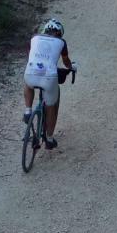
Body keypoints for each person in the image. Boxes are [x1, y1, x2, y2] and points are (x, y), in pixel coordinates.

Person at [23, 18, 73, 149]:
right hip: (49, 77)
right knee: (51, 106)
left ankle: (28, 111)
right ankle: (49, 139)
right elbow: (66, 61)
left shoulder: (34, 38)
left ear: (45, 30)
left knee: (28, 83)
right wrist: (71, 67)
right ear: (59, 33)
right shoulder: (61, 42)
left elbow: (30, 56)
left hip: (31, 72)